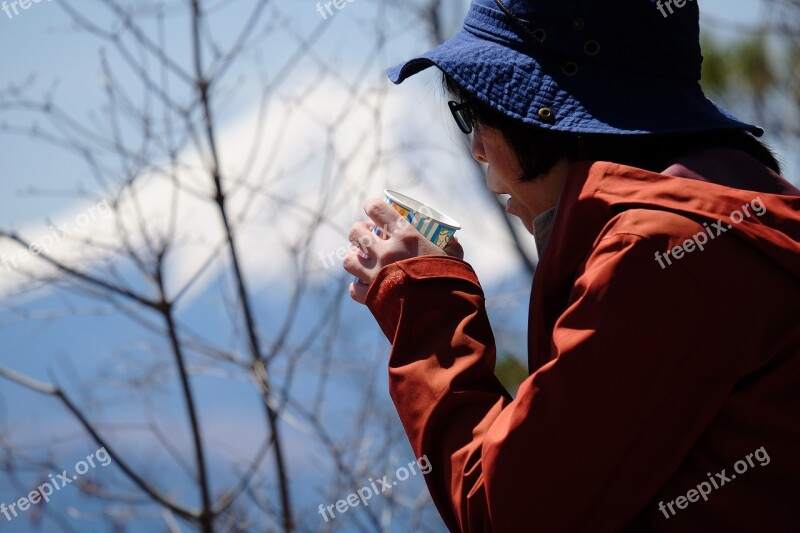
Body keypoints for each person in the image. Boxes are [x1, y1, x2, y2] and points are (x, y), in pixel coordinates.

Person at [343, 0, 800, 530]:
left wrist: (424, 307)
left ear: (547, 114)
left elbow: (503, 510)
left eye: (474, 113)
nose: (475, 150)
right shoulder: (737, 209)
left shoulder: (657, 255)